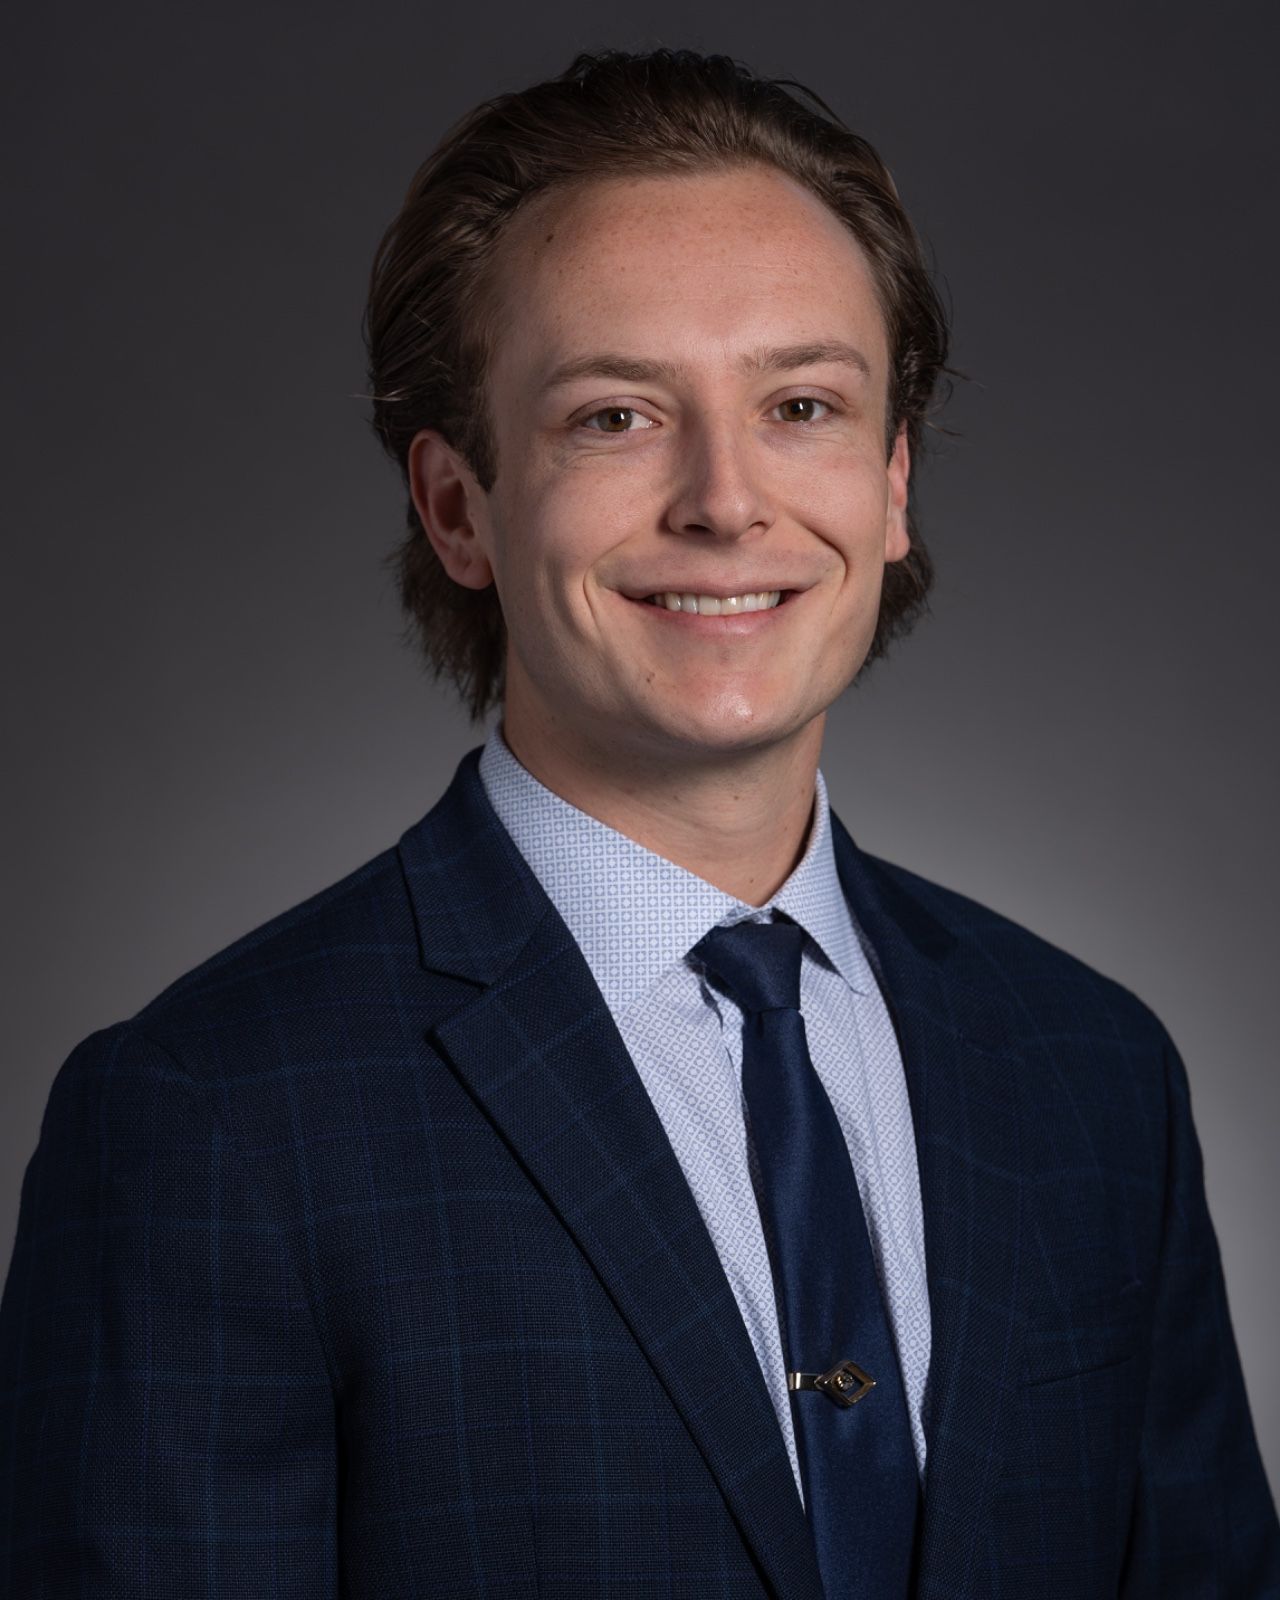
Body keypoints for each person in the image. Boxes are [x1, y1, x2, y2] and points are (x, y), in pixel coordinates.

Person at [1, 45, 1276, 1599]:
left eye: (801, 404)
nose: (726, 502)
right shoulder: (210, 1117)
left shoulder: (1095, 1077)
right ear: (458, 506)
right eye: (614, 417)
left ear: (891, 486)